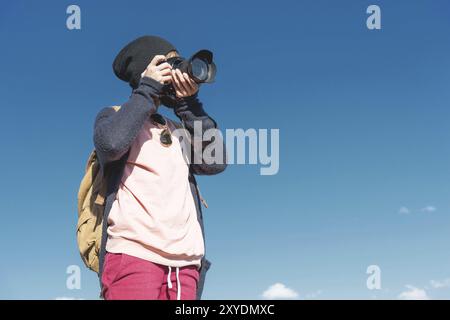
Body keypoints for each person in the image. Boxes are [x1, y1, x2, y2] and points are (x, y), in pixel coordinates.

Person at [93, 35, 227, 300]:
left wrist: (190, 107)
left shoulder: (178, 127)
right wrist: (147, 89)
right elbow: (110, 145)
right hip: (134, 254)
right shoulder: (114, 115)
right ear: (146, 69)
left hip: (186, 263)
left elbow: (215, 162)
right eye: (168, 63)